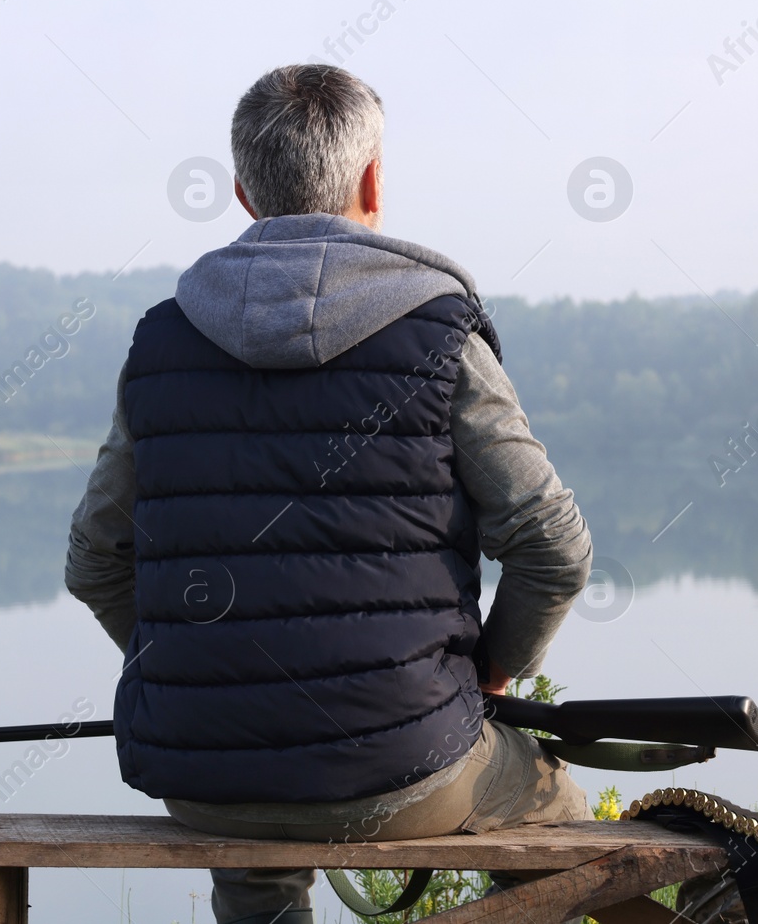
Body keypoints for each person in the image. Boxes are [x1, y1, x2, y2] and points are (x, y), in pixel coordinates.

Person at [64, 63, 594, 924]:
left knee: (254, 842)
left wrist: (198, 668)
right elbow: (553, 547)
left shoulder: (162, 344)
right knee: (556, 812)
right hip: (408, 766)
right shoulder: (441, 335)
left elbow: (94, 560)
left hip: (206, 777)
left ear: (243, 191)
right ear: (374, 179)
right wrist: (493, 671)